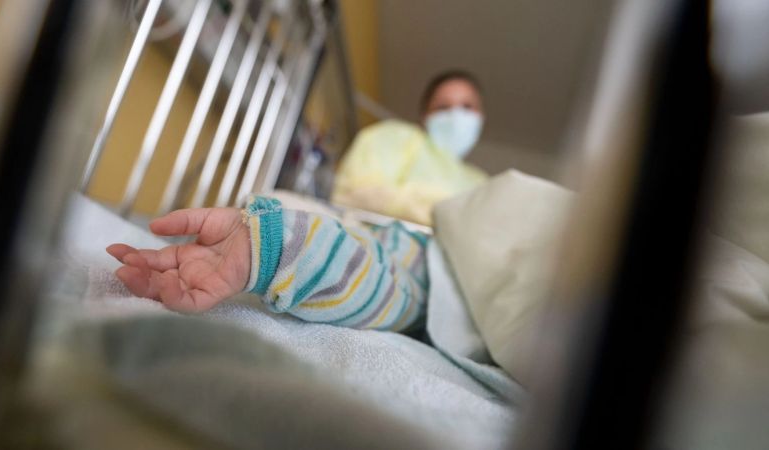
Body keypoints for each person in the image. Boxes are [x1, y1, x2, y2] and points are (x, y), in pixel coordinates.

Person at [107, 195, 429, 332]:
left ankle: (282, 244)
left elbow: (395, 298)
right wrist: (268, 245)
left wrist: (272, 247)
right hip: (388, 239)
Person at [331, 70, 488, 225]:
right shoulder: (394, 138)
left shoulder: (482, 183)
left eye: (467, 107)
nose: (456, 116)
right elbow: (353, 194)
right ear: (425, 117)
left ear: (481, 117)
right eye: (443, 107)